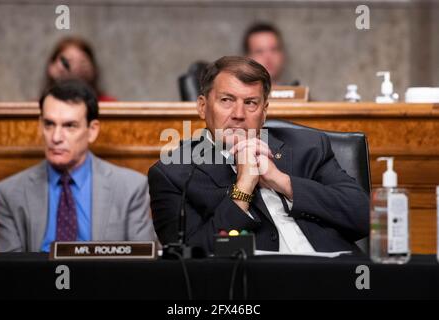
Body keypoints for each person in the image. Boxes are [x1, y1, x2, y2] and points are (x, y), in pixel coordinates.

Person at [148, 56, 369, 254]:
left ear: (264, 112)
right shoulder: (175, 175)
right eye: (226, 100)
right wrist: (243, 188)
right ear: (203, 107)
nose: (238, 114)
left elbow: (364, 217)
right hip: (254, 287)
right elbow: (190, 257)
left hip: (337, 278)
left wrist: (282, 182)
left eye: (250, 103)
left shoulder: (308, 147)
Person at [0, 79, 155, 252]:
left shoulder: (130, 188)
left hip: (105, 279)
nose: (56, 137)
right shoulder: (8, 194)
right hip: (38, 279)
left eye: (69, 126)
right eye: (49, 124)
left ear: (92, 131)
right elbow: (8, 272)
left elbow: (144, 266)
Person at [42, 37, 116, 102]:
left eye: (82, 62)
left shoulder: (109, 105)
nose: (75, 67)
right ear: (51, 67)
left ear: (93, 69)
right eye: (68, 61)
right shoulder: (36, 106)